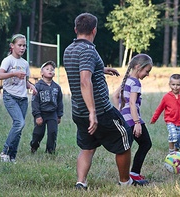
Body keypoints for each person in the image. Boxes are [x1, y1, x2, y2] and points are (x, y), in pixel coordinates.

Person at [63, 13, 148, 190]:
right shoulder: (88, 50)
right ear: (94, 30)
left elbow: (81, 68)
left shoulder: (69, 49)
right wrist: (93, 112)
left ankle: (81, 183)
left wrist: (101, 69)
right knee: (125, 137)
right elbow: (84, 80)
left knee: (87, 146)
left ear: (75, 29)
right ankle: (126, 182)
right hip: (100, 111)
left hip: (78, 111)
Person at [0, 34, 37, 163]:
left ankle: (12, 156)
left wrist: (31, 86)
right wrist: (13, 73)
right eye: (20, 45)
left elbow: (25, 81)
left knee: (18, 128)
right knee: (19, 123)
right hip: (10, 96)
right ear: (12, 46)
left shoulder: (24, 63)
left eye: (24, 45)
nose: (22, 48)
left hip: (23, 99)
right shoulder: (8, 60)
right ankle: (5, 152)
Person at [112, 54, 153, 181]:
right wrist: (137, 122)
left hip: (124, 120)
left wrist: (119, 112)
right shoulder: (135, 82)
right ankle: (134, 174)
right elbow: (132, 104)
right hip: (132, 120)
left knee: (128, 147)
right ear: (138, 67)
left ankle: (129, 175)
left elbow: (114, 96)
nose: (147, 74)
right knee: (146, 144)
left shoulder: (127, 80)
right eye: (147, 71)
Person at [150, 74, 180, 153]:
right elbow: (159, 109)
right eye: (173, 84)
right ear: (169, 84)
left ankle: (176, 153)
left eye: (178, 85)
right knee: (173, 136)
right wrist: (154, 119)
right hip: (170, 121)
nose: (175, 87)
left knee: (179, 143)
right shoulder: (166, 97)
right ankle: (171, 152)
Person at [30, 60, 63, 154]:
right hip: (41, 113)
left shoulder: (56, 87)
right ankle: (34, 146)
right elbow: (35, 102)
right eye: (47, 69)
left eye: (52, 69)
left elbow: (60, 101)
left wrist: (59, 115)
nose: (50, 71)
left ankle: (50, 151)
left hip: (52, 113)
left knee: (52, 132)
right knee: (38, 133)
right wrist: (37, 115)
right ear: (42, 73)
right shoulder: (38, 86)